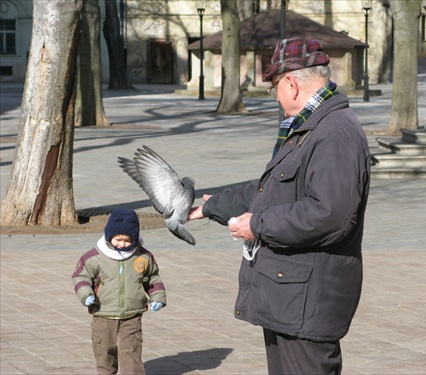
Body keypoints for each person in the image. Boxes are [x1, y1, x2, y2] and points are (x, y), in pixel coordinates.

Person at [189, 38, 371, 374]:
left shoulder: (333, 133)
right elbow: (274, 189)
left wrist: (256, 225)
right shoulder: (311, 126)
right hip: (293, 296)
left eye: (274, 87)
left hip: (307, 300)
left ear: (291, 84)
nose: (275, 96)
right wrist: (212, 207)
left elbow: (328, 215)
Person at [72, 208, 167, 375]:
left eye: (127, 240)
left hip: (132, 314)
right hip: (103, 313)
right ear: (109, 236)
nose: (122, 244)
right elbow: (80, 276)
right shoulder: (95, 257)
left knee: (131, 350)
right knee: (104, 351)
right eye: (118, 239)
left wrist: (157, 297)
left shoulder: (143, 257)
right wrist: (86, 294)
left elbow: (153, 278)